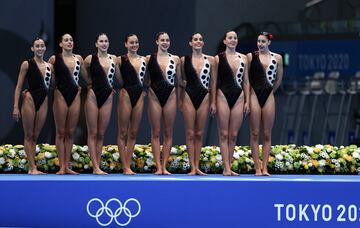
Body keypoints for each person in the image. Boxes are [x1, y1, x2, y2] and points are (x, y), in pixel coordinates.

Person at [13, 37, 53, 174]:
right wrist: (15, 107)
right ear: (32, 48)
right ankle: (32, 167)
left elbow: (55, 85)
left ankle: (33, 166)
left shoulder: (49, 67)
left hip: (43, 100)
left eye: (42, 46)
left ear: (45, 48)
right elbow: (18, 87)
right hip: (30, 99)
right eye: (37, 46)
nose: (40, 48)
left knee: (36, 135)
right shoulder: (27, 64)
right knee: (28, 134)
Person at [145, 32, 182, 175]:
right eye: (162, 40)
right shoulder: (149, 59)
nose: (165, 42)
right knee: (156, 132)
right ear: (157, 42)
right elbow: (145, 78)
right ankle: (158, 166)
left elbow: (179, 81)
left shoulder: (175, 59)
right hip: (154, 95)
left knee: (168, 132)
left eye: (167, 40)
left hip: (170, 96)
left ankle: (164, 166)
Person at [247, 32, 283, 176]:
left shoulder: (277, 58)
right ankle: (257, 168)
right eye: (258, 41)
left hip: (268, 95)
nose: (260, 44)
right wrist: (248, 98)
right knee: (255, 133)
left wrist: (272, 91)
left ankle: (265, 167)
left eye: (263, 41)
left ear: (269, 43)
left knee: (267, 134)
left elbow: (279, 78)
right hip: (255, 95)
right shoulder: (251, 57)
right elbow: (247, 79)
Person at [48, 34, 85, 174]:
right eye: (66, 40)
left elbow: (86, 77)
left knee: (70, 132)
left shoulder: (79, 59)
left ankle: (67, 166)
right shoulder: (53, 59)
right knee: (60, 132)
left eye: (71, 40)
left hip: (75, 95)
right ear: (60, 44)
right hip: (60, 95)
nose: (69, 42)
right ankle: (61, 166)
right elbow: (47, 78)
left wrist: (95, 86)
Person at [83, 33, 120, 175]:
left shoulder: (114, 59)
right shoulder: (89, 59)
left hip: (107, 96)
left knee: (101, 134)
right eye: (101, 41)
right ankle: (96, 167)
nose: (104, 43)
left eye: (106, 41)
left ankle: (96, 165)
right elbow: (84, 74)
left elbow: (119, 78)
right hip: (93, 95)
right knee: (92, 132)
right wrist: (89, 84)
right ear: (96, 44)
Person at [180, 33, 216, 175]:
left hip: (205, 97)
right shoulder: (184, 60)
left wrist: (213, 101)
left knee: (199, 133)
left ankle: (197, 166)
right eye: (195, 39)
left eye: (201, 39)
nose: (198, 41)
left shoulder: (211, 60)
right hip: (189, 96)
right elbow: (180, 81)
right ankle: (192, 167)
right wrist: (180, 100)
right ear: (191, 43)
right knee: (190, 133)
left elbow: (213, 82)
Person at [215, 31, 250, 176]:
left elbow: (246, 81)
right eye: (230, 38)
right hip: (222, 95)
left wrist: (248, 100)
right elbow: (213, 82)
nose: (233, 40)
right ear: (224, 41)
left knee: (233, 134)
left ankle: (228, 166)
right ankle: (226, 167)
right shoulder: (217, 59)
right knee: (224, 134)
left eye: (235, 38)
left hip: (239, 96)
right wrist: (213, 102)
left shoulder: (244, 58)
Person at [117, 34, 147, 175]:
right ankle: (125, 166)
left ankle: (128, 165)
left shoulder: (144, 60)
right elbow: (115, 78)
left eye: (136, 42)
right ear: (126, 44)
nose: (134, 45)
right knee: (123, 132)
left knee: (133, 132)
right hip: (126, 94)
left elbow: (149, 78)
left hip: (139, 94)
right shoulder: (120, 60)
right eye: (131, 42)